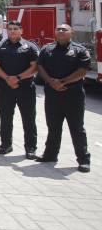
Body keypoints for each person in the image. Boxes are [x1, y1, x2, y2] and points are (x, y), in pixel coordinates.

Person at [36, 24, 91, 173]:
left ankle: (83, 160)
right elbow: (40, 67)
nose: (60, 31)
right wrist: (51, 81)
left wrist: (63, 82)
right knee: (53, 127)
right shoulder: (47, 49)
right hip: (53, 96)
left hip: (73, 96)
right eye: (58, 29)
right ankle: (50, 155)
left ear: (71, 33)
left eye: (64, 29)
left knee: (77, 128)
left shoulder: (80, 50)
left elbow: (82, 70)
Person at [0, 20, 39, 159]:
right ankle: (6, 144)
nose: (12, 31)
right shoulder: (0, 46)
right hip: (5, 88)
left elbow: (35, 67)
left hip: (25, 88)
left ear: (21, 30)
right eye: (10, 29)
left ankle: (30, 148)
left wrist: (17, 78)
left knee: (29, 119)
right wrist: (7, 78)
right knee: (5, 118)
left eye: (15, 29)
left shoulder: (30, 46)